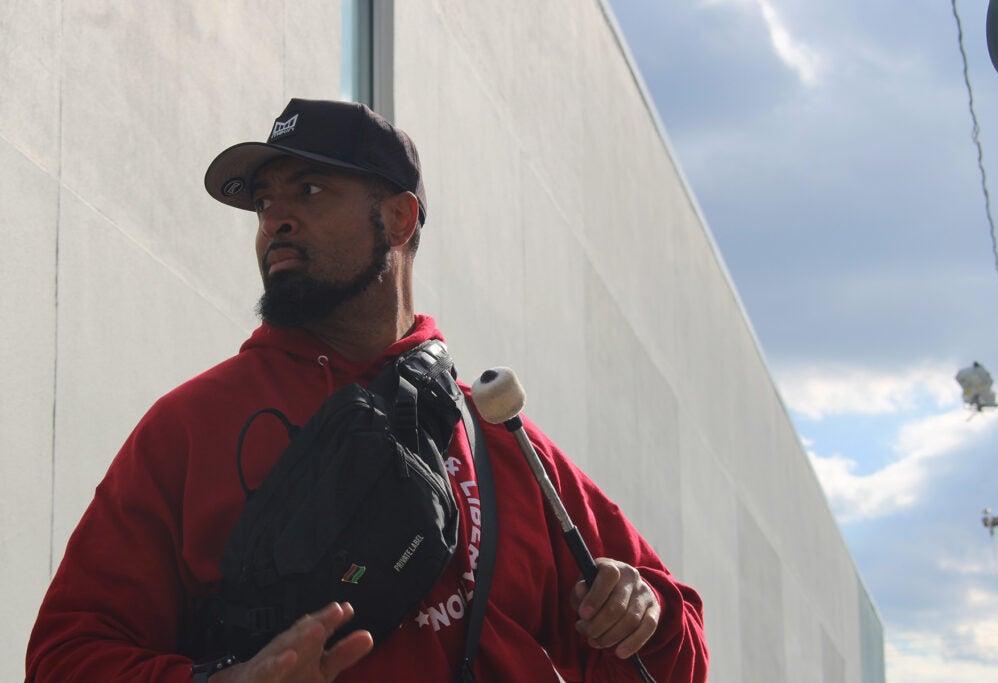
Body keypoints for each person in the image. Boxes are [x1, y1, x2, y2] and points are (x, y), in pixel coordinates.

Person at [26, 99, 709, 682]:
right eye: (265, 202)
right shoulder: (188, 429)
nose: (275, 220)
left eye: (311, 191)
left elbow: (679, 660)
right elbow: (63, 657)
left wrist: (643, 612)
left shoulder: (494, 434)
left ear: (401, 219)